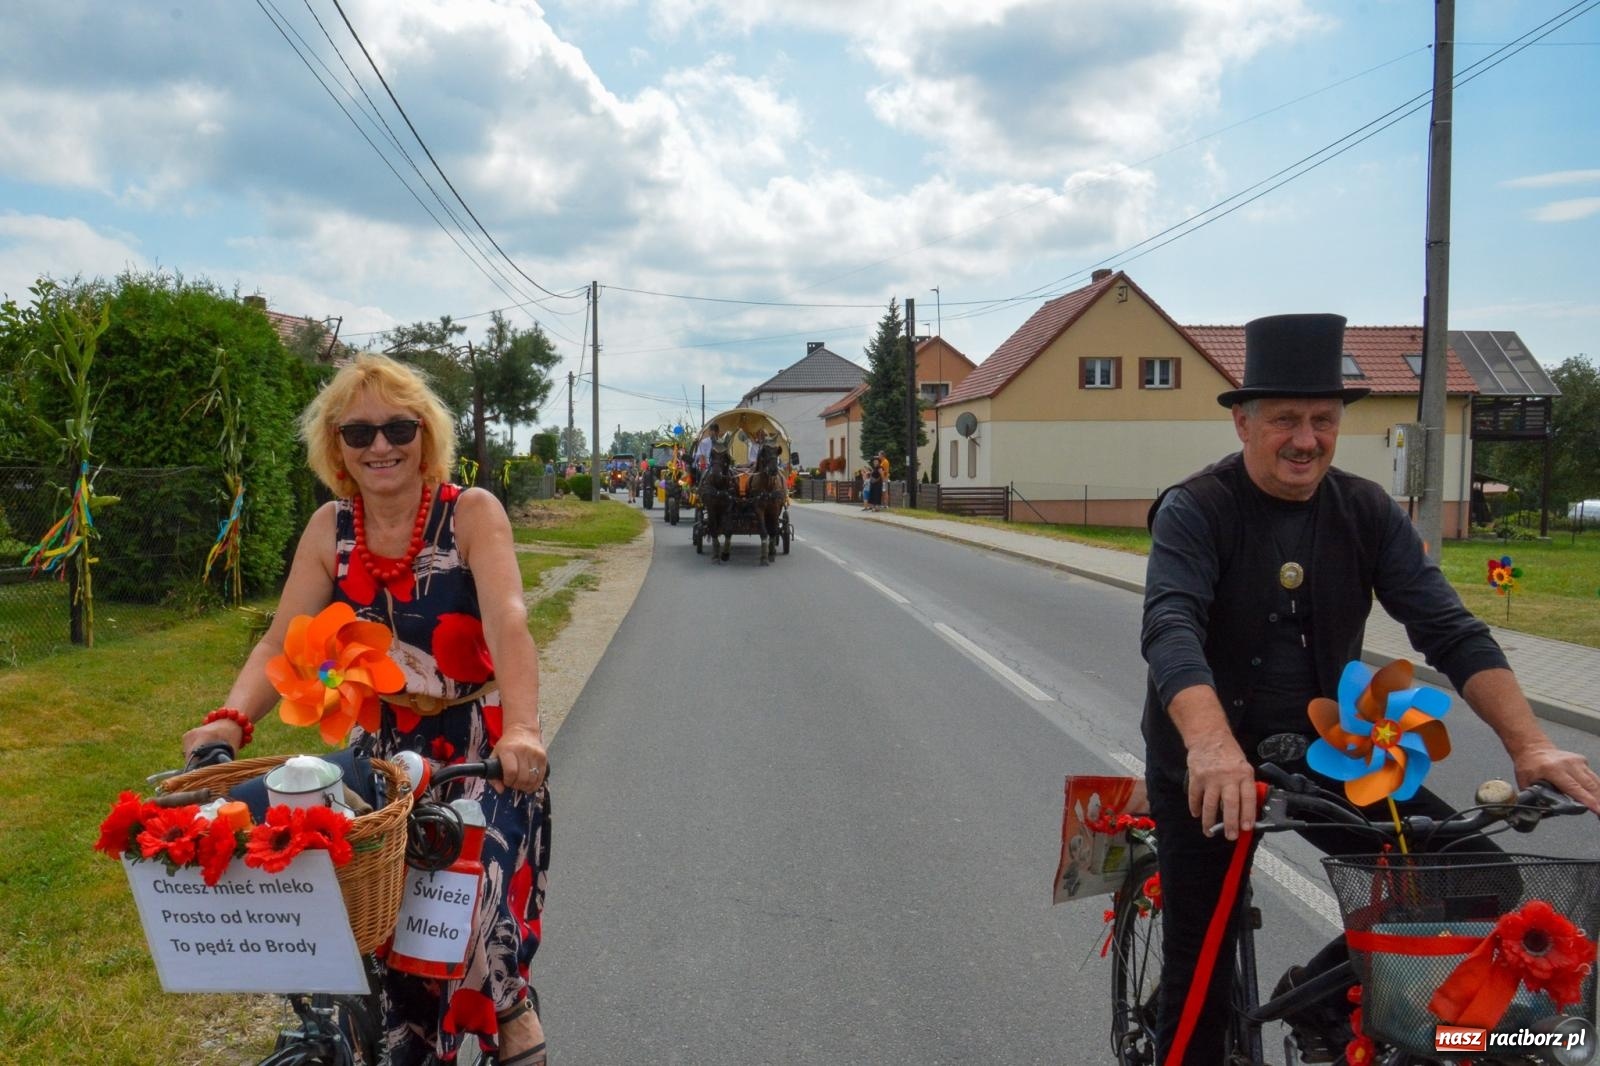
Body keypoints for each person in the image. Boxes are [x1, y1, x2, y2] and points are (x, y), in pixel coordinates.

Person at [1139, 314, 1600, 1065]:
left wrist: (1531, 743)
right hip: (1209, 764)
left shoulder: (1364, 511)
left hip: (1336, 755)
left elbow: (1450, 630)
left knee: (1469, 876)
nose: (1306, 438)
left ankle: (1326, 1005)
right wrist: (1212, 745)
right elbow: (1170, 628)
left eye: (1323, 420)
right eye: (1286, 419)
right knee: (1203, 968)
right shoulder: (1198, 509)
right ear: (1244, 423)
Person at [181, 354, 551, 1066]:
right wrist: (230, 718)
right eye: (359, 432)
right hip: (381, 751)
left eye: (397, 427)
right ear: (337, 446)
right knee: (377, 928)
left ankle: (512, 1016)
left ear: (425, 433)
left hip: (481, 749)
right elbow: (278, 643)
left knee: (472, 924)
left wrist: (527, 731)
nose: (380, 446)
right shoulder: (330, 529)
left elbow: (509, 622)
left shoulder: (470, 513)